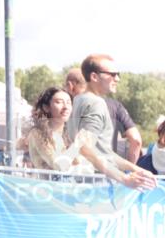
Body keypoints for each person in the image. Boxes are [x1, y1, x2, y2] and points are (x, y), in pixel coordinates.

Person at [25, 87, 155, 189]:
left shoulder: (69, 132)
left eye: (69, 103)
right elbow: (59, 166)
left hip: (72, 193)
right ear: (46, 107)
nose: (66, 107)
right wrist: (77, 144)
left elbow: (104, 155)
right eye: (59, 102)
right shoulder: (38, 133)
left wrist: (138, 170)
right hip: (51, 195)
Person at [67, 54, 156, 185]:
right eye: (112, 74)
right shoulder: (96, 103)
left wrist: (135, 169)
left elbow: (103, 153)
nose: (117, 79)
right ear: (94, 77)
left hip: (83, 181)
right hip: (95, 185)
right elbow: (84, 146)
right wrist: (124, 178)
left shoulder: (78, 99)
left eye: (118, 74)